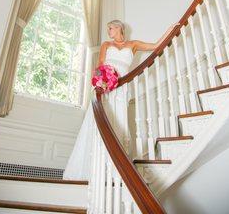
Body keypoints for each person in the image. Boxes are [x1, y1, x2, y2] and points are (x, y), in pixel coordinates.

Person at [63, 19, 179, 180]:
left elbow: (156, 46)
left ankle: (113, 173)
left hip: (121, 89)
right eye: (108, 29)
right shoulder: (106, 45)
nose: (108, 31)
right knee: (99, 122)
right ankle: (90, 169)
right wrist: (97, 83)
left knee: (119, 123)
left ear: (119, 28)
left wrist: (170, 29)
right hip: (105, 88)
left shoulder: (133, 44)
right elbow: (100, 65)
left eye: (110, 28)